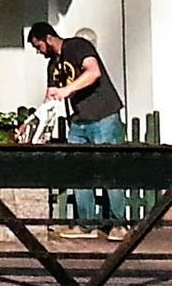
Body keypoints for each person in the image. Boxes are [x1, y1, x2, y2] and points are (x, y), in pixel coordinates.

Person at [26, 21, 126, 233]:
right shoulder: (53, 65)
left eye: (38, 46)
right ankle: (86, 225)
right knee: (79, 171)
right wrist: (32, 123)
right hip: (79, 121)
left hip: (103, 116)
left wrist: (67, 90)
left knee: (109, 170)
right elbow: (50, 98)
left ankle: (119, 225)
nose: (38, 51)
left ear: (48, 39)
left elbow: (93, 72)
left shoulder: (77, 46)